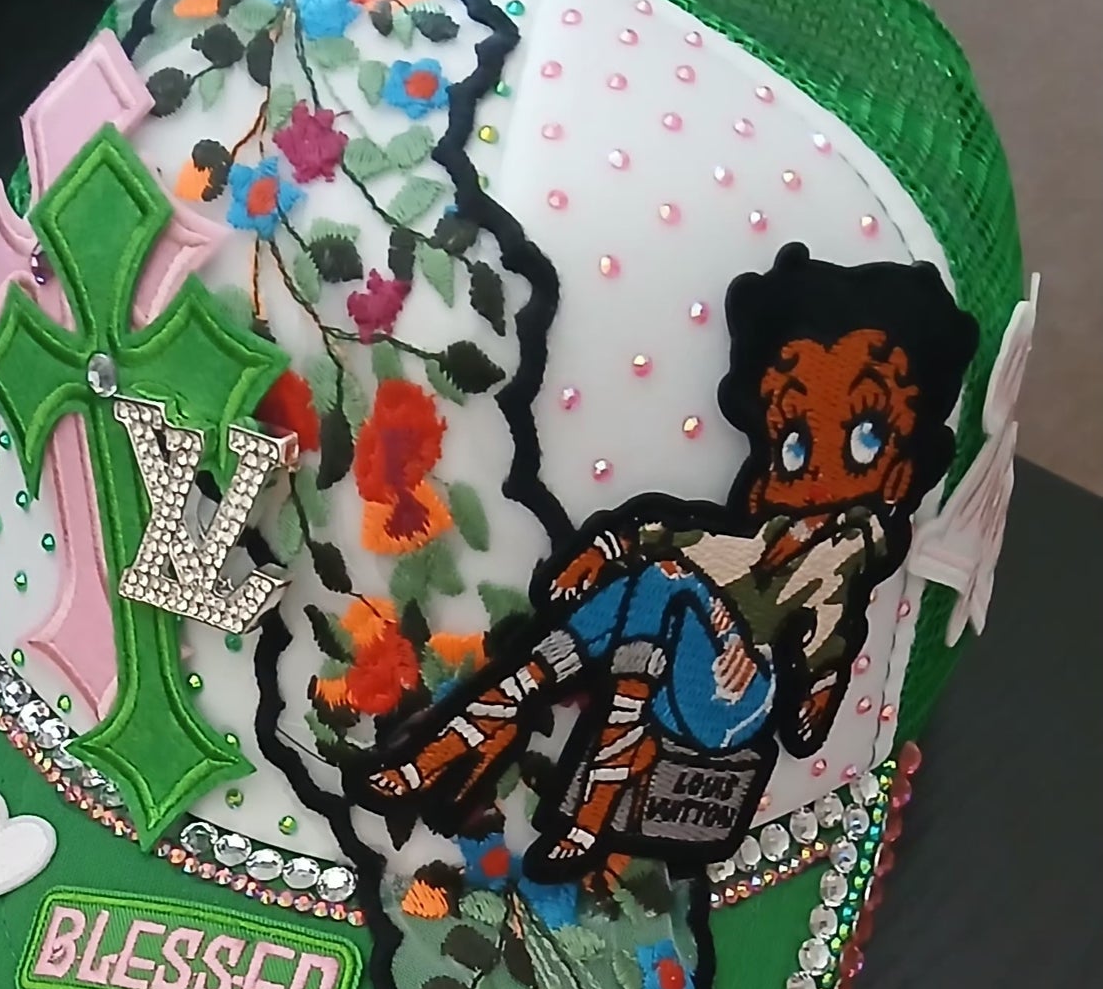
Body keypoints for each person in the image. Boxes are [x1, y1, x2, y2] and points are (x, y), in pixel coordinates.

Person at [360, 245, 978, 877]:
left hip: (733, 701)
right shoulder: (768, 535)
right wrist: (609, 551)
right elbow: (690, 543)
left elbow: (823, 643)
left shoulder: (846, 548)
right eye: (795, 442)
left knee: (662, 586)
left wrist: (784, 672)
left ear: (900, 465)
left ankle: (467, 741)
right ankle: (563, 797)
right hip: (686, 658)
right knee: (655, 594)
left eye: (864, 439)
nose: (817, 470)